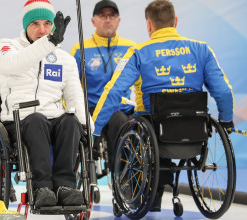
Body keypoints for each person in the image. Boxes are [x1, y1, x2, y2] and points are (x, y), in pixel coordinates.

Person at [92, 0, 234, 212]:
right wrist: (226, 120)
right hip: (195, 133)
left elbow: (113, 92)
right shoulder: (202, 50)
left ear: (149, 25)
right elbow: (223, 91)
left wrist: (95, 130)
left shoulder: (138, 52)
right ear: (175, 22)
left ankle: (134, 189)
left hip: (154, 133)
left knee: (134, 124)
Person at [0, 0, 91, 207]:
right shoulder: (6, 46)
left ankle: (66, 186)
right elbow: (14, 64)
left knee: (71, 121)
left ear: (54, 26)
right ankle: (42, 187)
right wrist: (49, 42)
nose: (41, 29)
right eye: (35, 24)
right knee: (36, 119)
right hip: (18, 121)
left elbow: (75, 96)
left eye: (47, 24)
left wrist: (89, 130)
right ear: (25, 26)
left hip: (53, 119)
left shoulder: (65, 59)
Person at [70, 0, 136, 170]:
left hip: (120, 109)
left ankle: (123, 177)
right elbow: (69, 84)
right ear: (93, 21)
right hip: (91, 108)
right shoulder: (80, 49)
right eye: (103, 15)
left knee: (122, 120)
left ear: (118, 20)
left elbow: (142, 83)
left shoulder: (131, 48)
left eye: (112, 15)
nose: (108, 19)